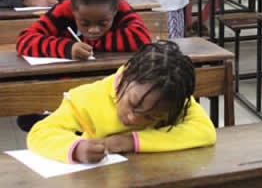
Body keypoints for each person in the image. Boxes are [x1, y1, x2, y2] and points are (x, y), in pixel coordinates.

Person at [27, 42, 216, 163]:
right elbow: (39, 133)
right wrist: (77, 149)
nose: (133, 118)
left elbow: (205, 131)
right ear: (126, 75)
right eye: (133, 104)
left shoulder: (169, 96)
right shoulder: (85, 99)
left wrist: (129, 142)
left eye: (150, 116)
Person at [16, 0, 152, 59]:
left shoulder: (117, 5)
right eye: (84, 23)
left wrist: (85, 43)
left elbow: (143, 38)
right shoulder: (64, 10)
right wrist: (68, 48)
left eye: (103, 23)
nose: (93, 30)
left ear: (115, 11)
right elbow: (24, 40)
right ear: (73, 10)